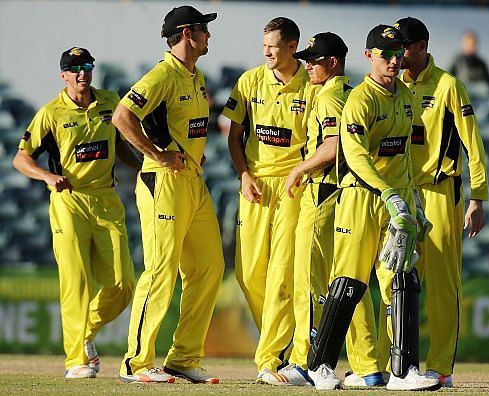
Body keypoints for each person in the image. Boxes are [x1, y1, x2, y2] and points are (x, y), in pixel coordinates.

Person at [305, 25, 440, 391]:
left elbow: (406, 156)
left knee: (402, 277)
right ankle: (319, 365)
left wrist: (412, 200)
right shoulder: (360, 101)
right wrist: (389, 194)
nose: (394, 60)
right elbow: (356, 157)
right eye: (385, 54)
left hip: (395, 203)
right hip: (361, 197)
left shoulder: (407, 98)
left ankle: (403, 371)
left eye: (398, 53)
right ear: (369, 56)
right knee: (349, 282)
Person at [260, 32, 383, 388]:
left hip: (323, 192)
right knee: (349, 284)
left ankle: (306, 361)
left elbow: (332, 146)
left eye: (314, 60)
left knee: (310, 283)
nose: (308, 65)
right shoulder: (353, 93)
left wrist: (299, 168)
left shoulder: (330, 96)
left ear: (333, 63)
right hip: (346, 195)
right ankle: (368, 365)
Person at [113, 5, 225, 384]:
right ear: (188, 33)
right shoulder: (162, 74)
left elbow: (189, 126)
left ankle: (182, 358)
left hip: (193, 182)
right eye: (204, 30)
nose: (209, 36)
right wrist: (158, 154)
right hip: (163, 182)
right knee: (161, 270)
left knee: (210, 268)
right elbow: (122, 116)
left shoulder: (196, 75)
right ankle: (136, 363)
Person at [13, 47, 138, 379]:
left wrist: (142, 168)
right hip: (69, 203)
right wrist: (46, 176)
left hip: (107, 201)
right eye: (75, 68)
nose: (82, 73)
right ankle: (76, 361)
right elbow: (21, 157)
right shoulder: (52, 113)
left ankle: (85, 333)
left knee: (124, 284)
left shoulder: (110, 101)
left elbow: (121, 143)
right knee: (77, 283)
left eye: (87, 67)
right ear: (64, 75)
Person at [395, 17, 489, 387]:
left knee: (440, 283)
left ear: (422, 46)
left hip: (439, 191)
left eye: (403, 45)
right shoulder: (392, 84)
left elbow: (473, 144)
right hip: (401, 193)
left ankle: (440, 368)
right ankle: (400, 362)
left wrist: (477, 198)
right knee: (394, 277)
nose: (397, 53)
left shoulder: (449, 85)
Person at [222, 17, 310, 380]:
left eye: (274, 46)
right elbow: (233, 137)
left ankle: (269, 359)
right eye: (264, 47)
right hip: (255, 186)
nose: (267, 53)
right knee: (248, 274)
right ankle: (282, 341)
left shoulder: (312, 86)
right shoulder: (249, 81)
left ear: (292, 46)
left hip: (294, 187)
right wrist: (243, 174)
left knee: (280, 275)